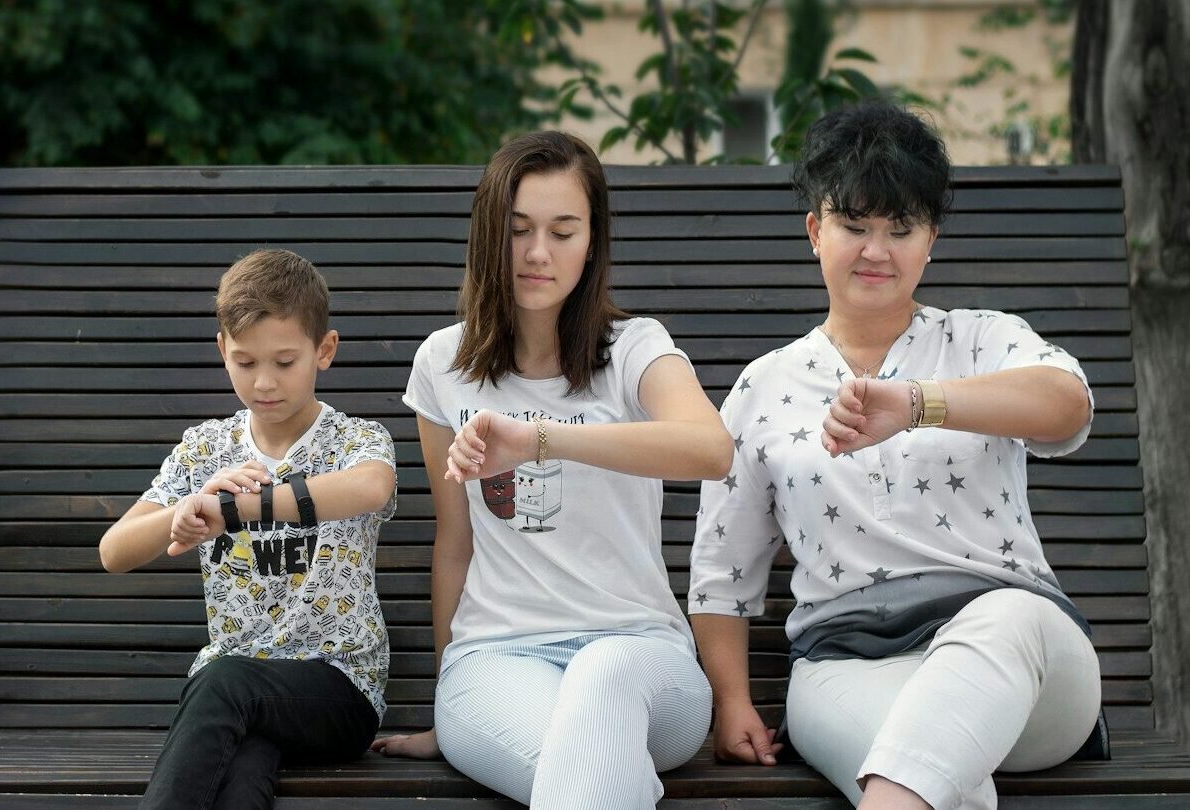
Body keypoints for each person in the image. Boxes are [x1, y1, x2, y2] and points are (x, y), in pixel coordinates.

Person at [688, 101, 1101, 810]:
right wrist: (731, 702)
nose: (876, 250)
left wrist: (918, 403)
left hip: (1027, 668)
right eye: (854, 225)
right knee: (928, 780)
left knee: (1007, 620)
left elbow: (1068, 405)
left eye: (900, 229)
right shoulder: (765, 387)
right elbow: (721, 574)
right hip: (847, 668)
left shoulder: (981, 341)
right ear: (816, 231)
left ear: (930, 241)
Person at [372, 130, 733, 809]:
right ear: (487, 235)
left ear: (592, 241)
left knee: (602, 675)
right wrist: (455, 702)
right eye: (518, 231)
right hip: (498, 663)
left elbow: (710, 448)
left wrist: (541, 438)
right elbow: (456, 545)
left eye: (563, 231)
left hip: (644, 661)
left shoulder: (634, 350)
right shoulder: (442, 364)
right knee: (588, 775)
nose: (539, 254)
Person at [99, 248, 397, 809]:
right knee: (241, 774)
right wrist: (193, 503)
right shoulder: (205, 448)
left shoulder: (358, 439)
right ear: (222, 351)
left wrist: (238, 510)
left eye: (285, 362)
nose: (264, 382)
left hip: (338, 688)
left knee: (224, 682)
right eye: (245, 361)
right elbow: (114, 550)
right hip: (238, 697)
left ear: (324, 351)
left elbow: (371, 488)